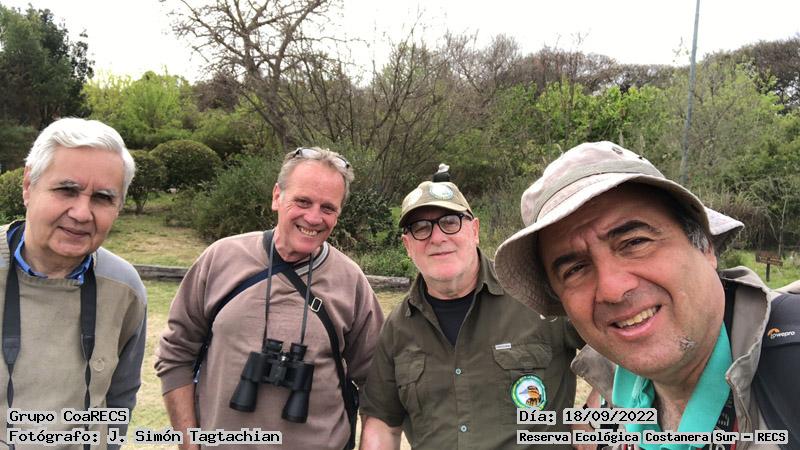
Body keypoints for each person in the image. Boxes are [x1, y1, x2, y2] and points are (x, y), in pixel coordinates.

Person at [495, 141, 798, 447]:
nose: (613, 290)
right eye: (575, 269)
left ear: (704, 245)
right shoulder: (614, 394)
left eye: (635, 242)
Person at [155, 147, 384, 450]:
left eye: (328, 208)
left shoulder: (350, 281)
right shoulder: (221, 258)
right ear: (277, 196)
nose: (313, 217)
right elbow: (176, 354)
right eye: (303, 201)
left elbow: (378, 384)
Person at [359, 171, 583, 450]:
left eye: (450, 222)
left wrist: (595, 419)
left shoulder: (538, 294)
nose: (437, 237)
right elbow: (382, 423)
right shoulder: (397, 328)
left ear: (474, 230)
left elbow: (620, 347)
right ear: (407, 246)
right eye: (420, 228)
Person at [0, 118, 147, 449]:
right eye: (67, 190)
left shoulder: (124, 288)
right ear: (28, 186)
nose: (81, 213)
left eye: (102, 198)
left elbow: (121, 396)